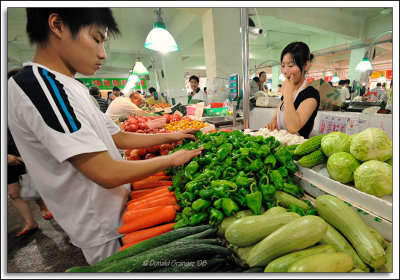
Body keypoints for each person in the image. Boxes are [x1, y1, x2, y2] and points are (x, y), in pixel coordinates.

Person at [8, 8, 203, 265]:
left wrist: (170, 136)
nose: (102, 53)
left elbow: (119, 138)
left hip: (117, 210)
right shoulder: (40, 86)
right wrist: (171, 159)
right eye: (96, 39)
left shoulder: (68, 85)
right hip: (101, 223)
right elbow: (105, 173)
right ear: (57, 25)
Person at [7, 69, 53, 238]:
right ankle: (30, 222)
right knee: (13, 192)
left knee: (34, 183)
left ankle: (44, 207)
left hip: (24, 150)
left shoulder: (32, 103)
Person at [265, 41, 320, 139]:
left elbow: (293, 127)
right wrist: (272, 125)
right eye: (283, 66)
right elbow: (274, 118)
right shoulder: (287, 93)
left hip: (297, 149)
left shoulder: (311, 94)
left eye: (290, 65)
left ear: (305, 65)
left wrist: (287, 94)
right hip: (281, 145)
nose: (285, 71)